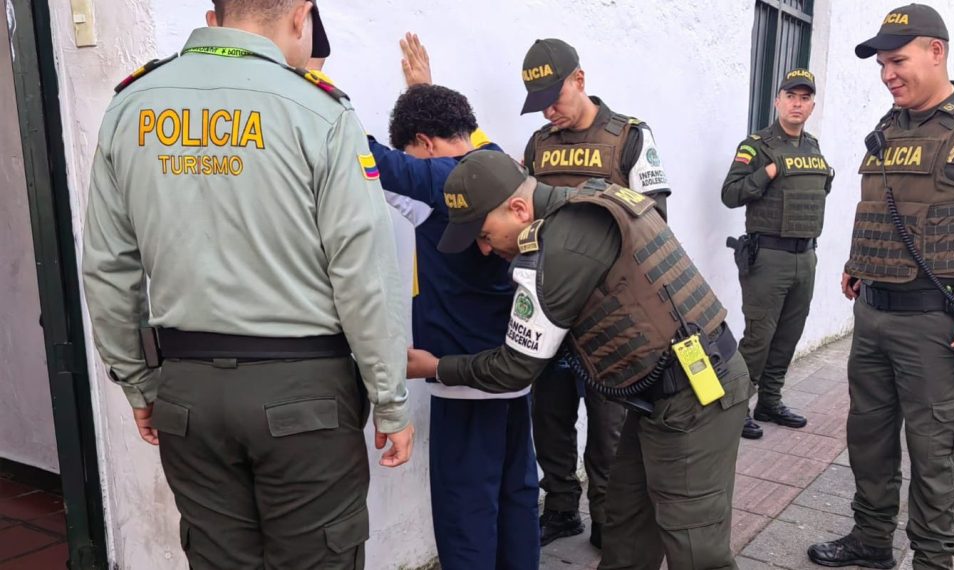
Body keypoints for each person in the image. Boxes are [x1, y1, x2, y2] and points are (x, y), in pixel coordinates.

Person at [81, 2, 412, 567]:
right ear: (301, 15)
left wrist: (138, 382)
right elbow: (363, 274)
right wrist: (390, 399)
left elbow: (108, 267)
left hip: (188, 394)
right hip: (304, 393)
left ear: (215, 16)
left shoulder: (131, 106)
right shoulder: (319, 111)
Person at [406, 150, 752, 570]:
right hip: (662, 395)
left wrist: (435, 367)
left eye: (484, 233)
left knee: (697, 552)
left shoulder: (561, 245)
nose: (483, 248)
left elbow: (515, 368)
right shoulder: (588, 197)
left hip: (695, 395)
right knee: (626, 531)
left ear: (518, 209)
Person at [808, 4, 954, 569]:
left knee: (935, 451)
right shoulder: (891, 126)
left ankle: (933, 559)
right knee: (868, 437)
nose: (888, 74)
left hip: (938, 323)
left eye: (898, 61)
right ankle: (871, 541)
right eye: (882, 65)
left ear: (936, 52)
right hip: (873, 314)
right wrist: (860, 261)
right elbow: (886, 206)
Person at [366, 34, 540, 569]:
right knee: (515, 500)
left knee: (466, 515)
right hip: (512, 373)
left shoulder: (436, 180)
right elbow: (467, 144)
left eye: (414, 150)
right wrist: (425, 92)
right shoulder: (498, 164)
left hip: (462, 381)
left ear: (424, 142)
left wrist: (306, 72)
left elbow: (356, 153)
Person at [518, 37, 672, 548]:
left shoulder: (629, 136)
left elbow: (653, 220)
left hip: (609, 310)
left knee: (610, 427)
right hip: (551, 306)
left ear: (579, 80)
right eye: (539, 103)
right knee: (549, 416)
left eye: (554, 97)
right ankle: (562, 508)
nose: (549, 111)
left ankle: (609, 518)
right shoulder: (539, 145)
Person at [721, 68, 833, 440]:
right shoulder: (756, 146)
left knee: (788, 336)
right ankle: (736, 409)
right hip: (768, 256)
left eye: (804, 98)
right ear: (777, 101)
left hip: (806, 256)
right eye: (790, 96)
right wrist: (767, 171)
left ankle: (770, 401)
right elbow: (730, 194)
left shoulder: (812, 147)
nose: (797, 104)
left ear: (812, 105)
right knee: (759, 338)